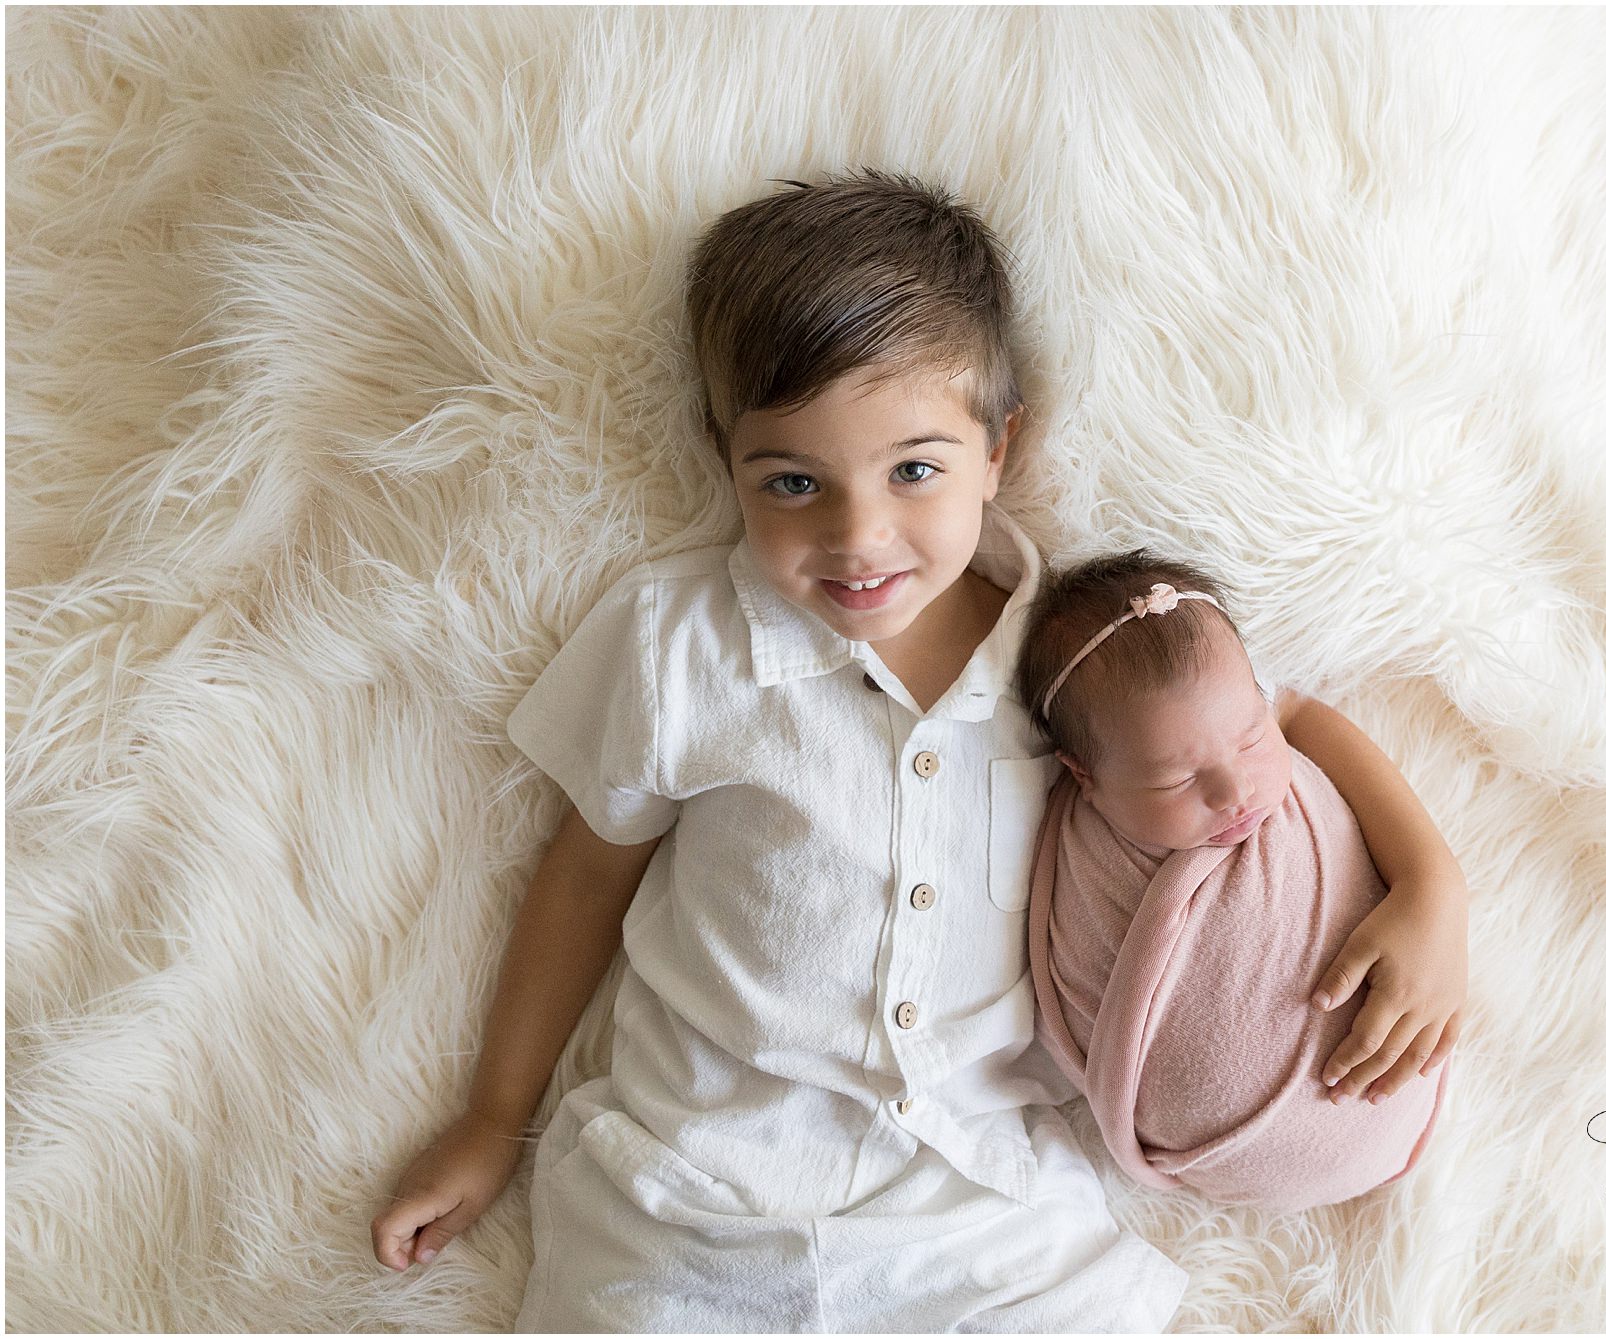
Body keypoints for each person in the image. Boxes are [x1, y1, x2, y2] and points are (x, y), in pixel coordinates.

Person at [368, 169, 1466, 1330]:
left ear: (1001, 448)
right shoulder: (679, 641)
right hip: (692, 1195)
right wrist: (494, 1119)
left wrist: (1431, 886)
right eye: (792, 483)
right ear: (720, 457)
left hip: (978, 1203)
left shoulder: (1071, 664)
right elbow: (586, 870)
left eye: (914, 471)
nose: (856, 537)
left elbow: (1283, 719)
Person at [1014, 550, 1454, 1214]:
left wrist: (1433, 889)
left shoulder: (1273, 723)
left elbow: (1297, 711)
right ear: (1084, 777)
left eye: (1250, 738)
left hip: (1405, 1075)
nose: (1233, 790)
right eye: (1176, 779)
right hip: (1235, 1167)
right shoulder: (1078, 848)